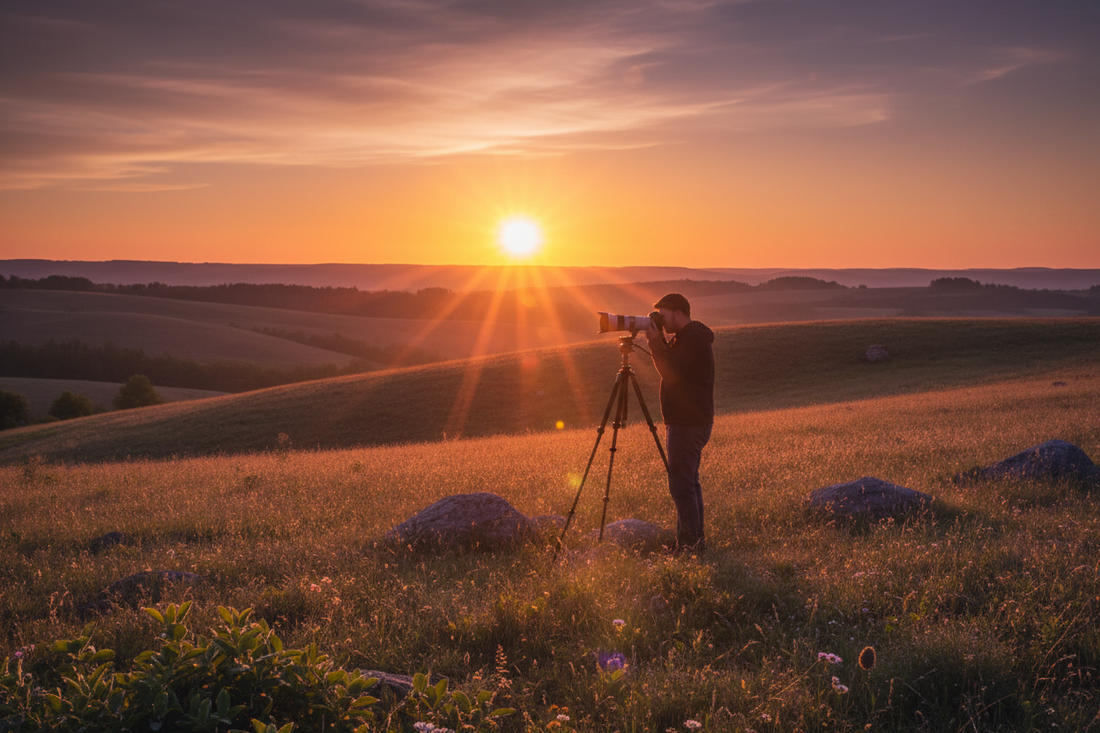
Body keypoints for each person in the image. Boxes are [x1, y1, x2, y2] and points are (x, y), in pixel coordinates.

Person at [644, 293, 715, 554]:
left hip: (688, 423)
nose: (662, 321)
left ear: (678, 312)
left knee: (682, 486)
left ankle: (689, 546)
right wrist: (660, 340)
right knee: (688, 484)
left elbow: (671, 374)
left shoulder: (693, 339)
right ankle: (694, 542)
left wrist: (654, 342)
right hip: (690, 421)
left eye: (664, 316)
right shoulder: (687, 338)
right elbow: (674, 368)